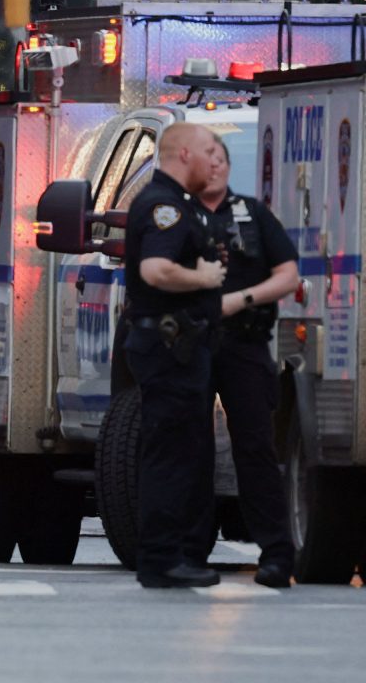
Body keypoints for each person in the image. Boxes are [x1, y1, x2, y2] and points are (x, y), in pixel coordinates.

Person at [122, 123, 227, 588]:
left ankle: (174, 554)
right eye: (209, 151)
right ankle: (162, 559)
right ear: (183, 153)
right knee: (171, 455)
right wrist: (203, 280)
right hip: (168, 349)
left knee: (183, 452)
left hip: (175, 348)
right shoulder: (164, 207)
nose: (215, 160)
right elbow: (155, 269)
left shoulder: (177, 205)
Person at [198, 140, 298, 588]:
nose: (214, 166)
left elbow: (288, 275)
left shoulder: (253, 215)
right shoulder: (170, 214)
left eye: (221, 159)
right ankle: (187, 550)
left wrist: (242, 299)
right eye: (206, 158)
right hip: (189, 347)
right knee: (186, 450)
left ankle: (276, 555)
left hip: (244, 344)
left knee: (255, 450)